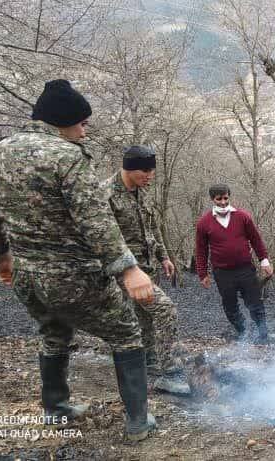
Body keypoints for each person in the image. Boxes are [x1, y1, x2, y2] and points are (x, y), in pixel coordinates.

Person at [0, 79, 157, 441]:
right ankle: (139, 422)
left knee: (53, 332)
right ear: (64, 120)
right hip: (76, 276)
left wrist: (1, 257)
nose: (85, 131)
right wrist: (129, 269)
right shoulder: (67, 157)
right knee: (125, 333)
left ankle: (55, 408)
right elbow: (96, 220)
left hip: (27, 274)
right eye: (83, 123)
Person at [105, 145, 190, 395]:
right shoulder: (105, 195)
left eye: (152, 171)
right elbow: (101, 237)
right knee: (165, 310)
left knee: (145, 318)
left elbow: (152, 229)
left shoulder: (144, 191)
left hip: (148, 266)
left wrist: (164, 256)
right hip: (123, 271)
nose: (150, 176)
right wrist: (122, 270)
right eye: (145, 171)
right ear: (129, 168)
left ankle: (149, 359)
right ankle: (170, 372)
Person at [195, 184, 273, 344]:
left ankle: (263, 335)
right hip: (222, 272)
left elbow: (256, 239)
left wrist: (264, 261)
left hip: (245, 269)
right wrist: (202, 274)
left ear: (229, 197)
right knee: (230, 307)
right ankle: (243, 331)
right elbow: (201, 250)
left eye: (225, 198)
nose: (223, 202)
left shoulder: (242, 216)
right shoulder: (204, 223)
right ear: (212, 199)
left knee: (255, 303)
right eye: (219, 199)